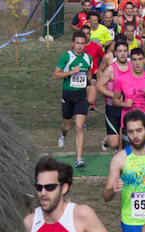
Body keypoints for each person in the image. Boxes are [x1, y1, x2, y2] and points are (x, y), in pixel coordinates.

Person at [55, 31, 94, 169]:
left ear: (85, 44)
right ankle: (63, 134)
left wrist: (90, 82)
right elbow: (56, 74)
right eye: (77, 43)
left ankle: (79, 159)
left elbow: (89, 73)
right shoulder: (67, 56)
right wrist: (71, 72)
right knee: (68, 126)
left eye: (82, 43)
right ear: (73, 43)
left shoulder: (88, 58)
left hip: (81, 96)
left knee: (79, 126)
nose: (79, 46)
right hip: (68, 95)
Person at [95, 37, 131, 151]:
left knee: (126, 140)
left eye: (125, 51)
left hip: (128, 107)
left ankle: (122, 163)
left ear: (128, 52)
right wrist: (113, 95)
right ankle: (107, 140)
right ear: (115, 53)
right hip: (112, 107)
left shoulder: (132, 67)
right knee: (114, 144)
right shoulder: (111, 69)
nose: (122, 54)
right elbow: (99, 85)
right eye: (120, 51)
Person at [112, 47, 145, 126]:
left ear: (144, 60)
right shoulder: (121, 79)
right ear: (131, 61)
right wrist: (124, 104)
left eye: (140, 59)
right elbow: (114, 101)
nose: (137, 63)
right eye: (134, 60)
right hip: (128, 122)